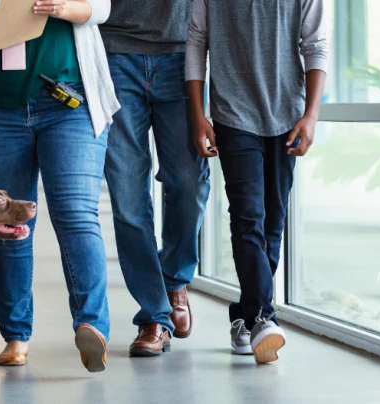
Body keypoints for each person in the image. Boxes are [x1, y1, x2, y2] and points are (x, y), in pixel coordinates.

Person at [0, 0, 120, 372]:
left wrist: (63, 8)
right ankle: (15, 335)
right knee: (6, 225)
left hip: (69, 101)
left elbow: (101, 8)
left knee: (76, 213)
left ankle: (92, 325)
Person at [186, 0, 328, 363]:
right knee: (248, 216)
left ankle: (245, 314)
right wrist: (198, 114)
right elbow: (197, 40)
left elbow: (315, 44)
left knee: (273, 222)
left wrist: (311, 114)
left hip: (287, 114)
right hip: (234, 114)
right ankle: (264, 317)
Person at [99, 1, 210, 356]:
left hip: (183, 53)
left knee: (188, 183)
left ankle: (175, 277)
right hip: (113, 53)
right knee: (127, 194)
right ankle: (154, 315)